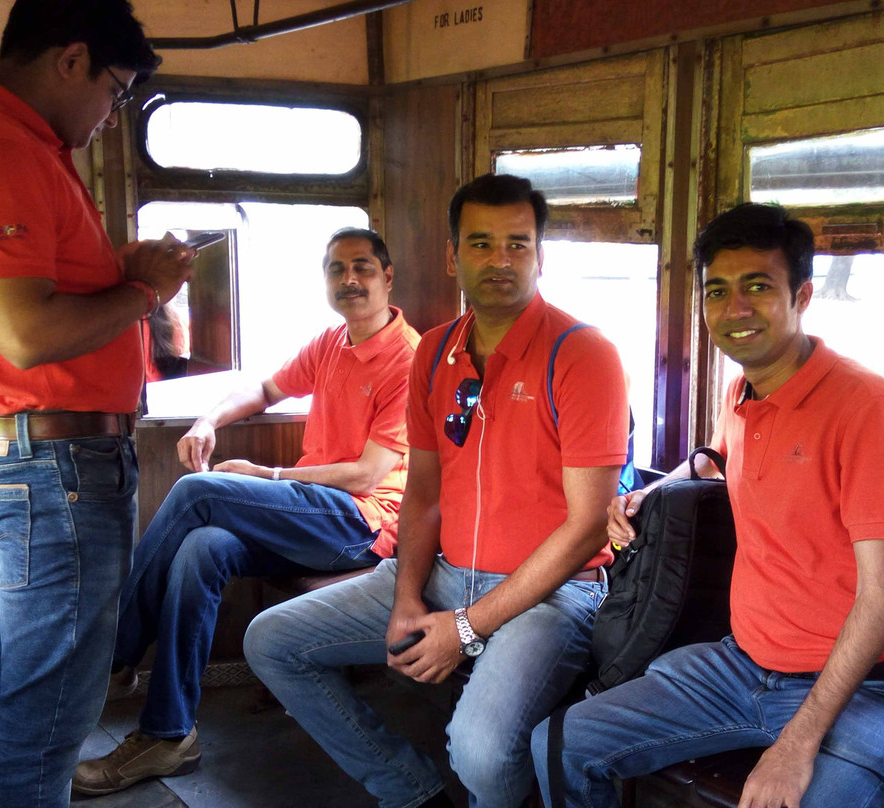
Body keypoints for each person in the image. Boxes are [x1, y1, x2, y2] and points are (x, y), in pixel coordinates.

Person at [531, 203, 884, 808]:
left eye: (758, 287)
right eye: (717, 291)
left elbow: (883, 597)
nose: (735, 309)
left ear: (802, 296)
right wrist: (652, 490)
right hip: (741, 666)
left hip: (865, 688)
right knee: (555, 746)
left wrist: (796, 746)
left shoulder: (867, 408)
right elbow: (714, 457)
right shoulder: (743, 390)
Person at [243, 174, 630, 808]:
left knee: (479, 752)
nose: (499, 261)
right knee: (272, 642)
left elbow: (587, 525)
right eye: (481, 244)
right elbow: (422, 496)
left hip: (554, 596)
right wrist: (405, 599)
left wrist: (467, 629)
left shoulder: (582, 355)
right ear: (453, 256)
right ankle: (412, 792)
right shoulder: (436, 352)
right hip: (446, 576)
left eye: (517, 245)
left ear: (540, 255)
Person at [0, 3, 192, 806]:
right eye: (115, 92)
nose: (110, 116)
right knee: (47, 711)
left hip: (46, 460)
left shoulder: (22, 147)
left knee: (39, 693)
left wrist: (120, 269)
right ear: (71, 60)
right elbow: (27, 333)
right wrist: (145, 291)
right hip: (55, 469)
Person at [73, 228, 421, 795]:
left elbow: (366, 474)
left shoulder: (407, 359)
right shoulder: (334, 343)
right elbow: (263, 388)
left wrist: (270, 475)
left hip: (363, 523)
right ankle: (168, 735)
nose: (349, 279)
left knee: (197, 493)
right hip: (316, 513)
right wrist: (209, 420)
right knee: (201, 549)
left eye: (362, 267)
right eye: (337, 269)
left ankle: (112, 656)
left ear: (388, 278)